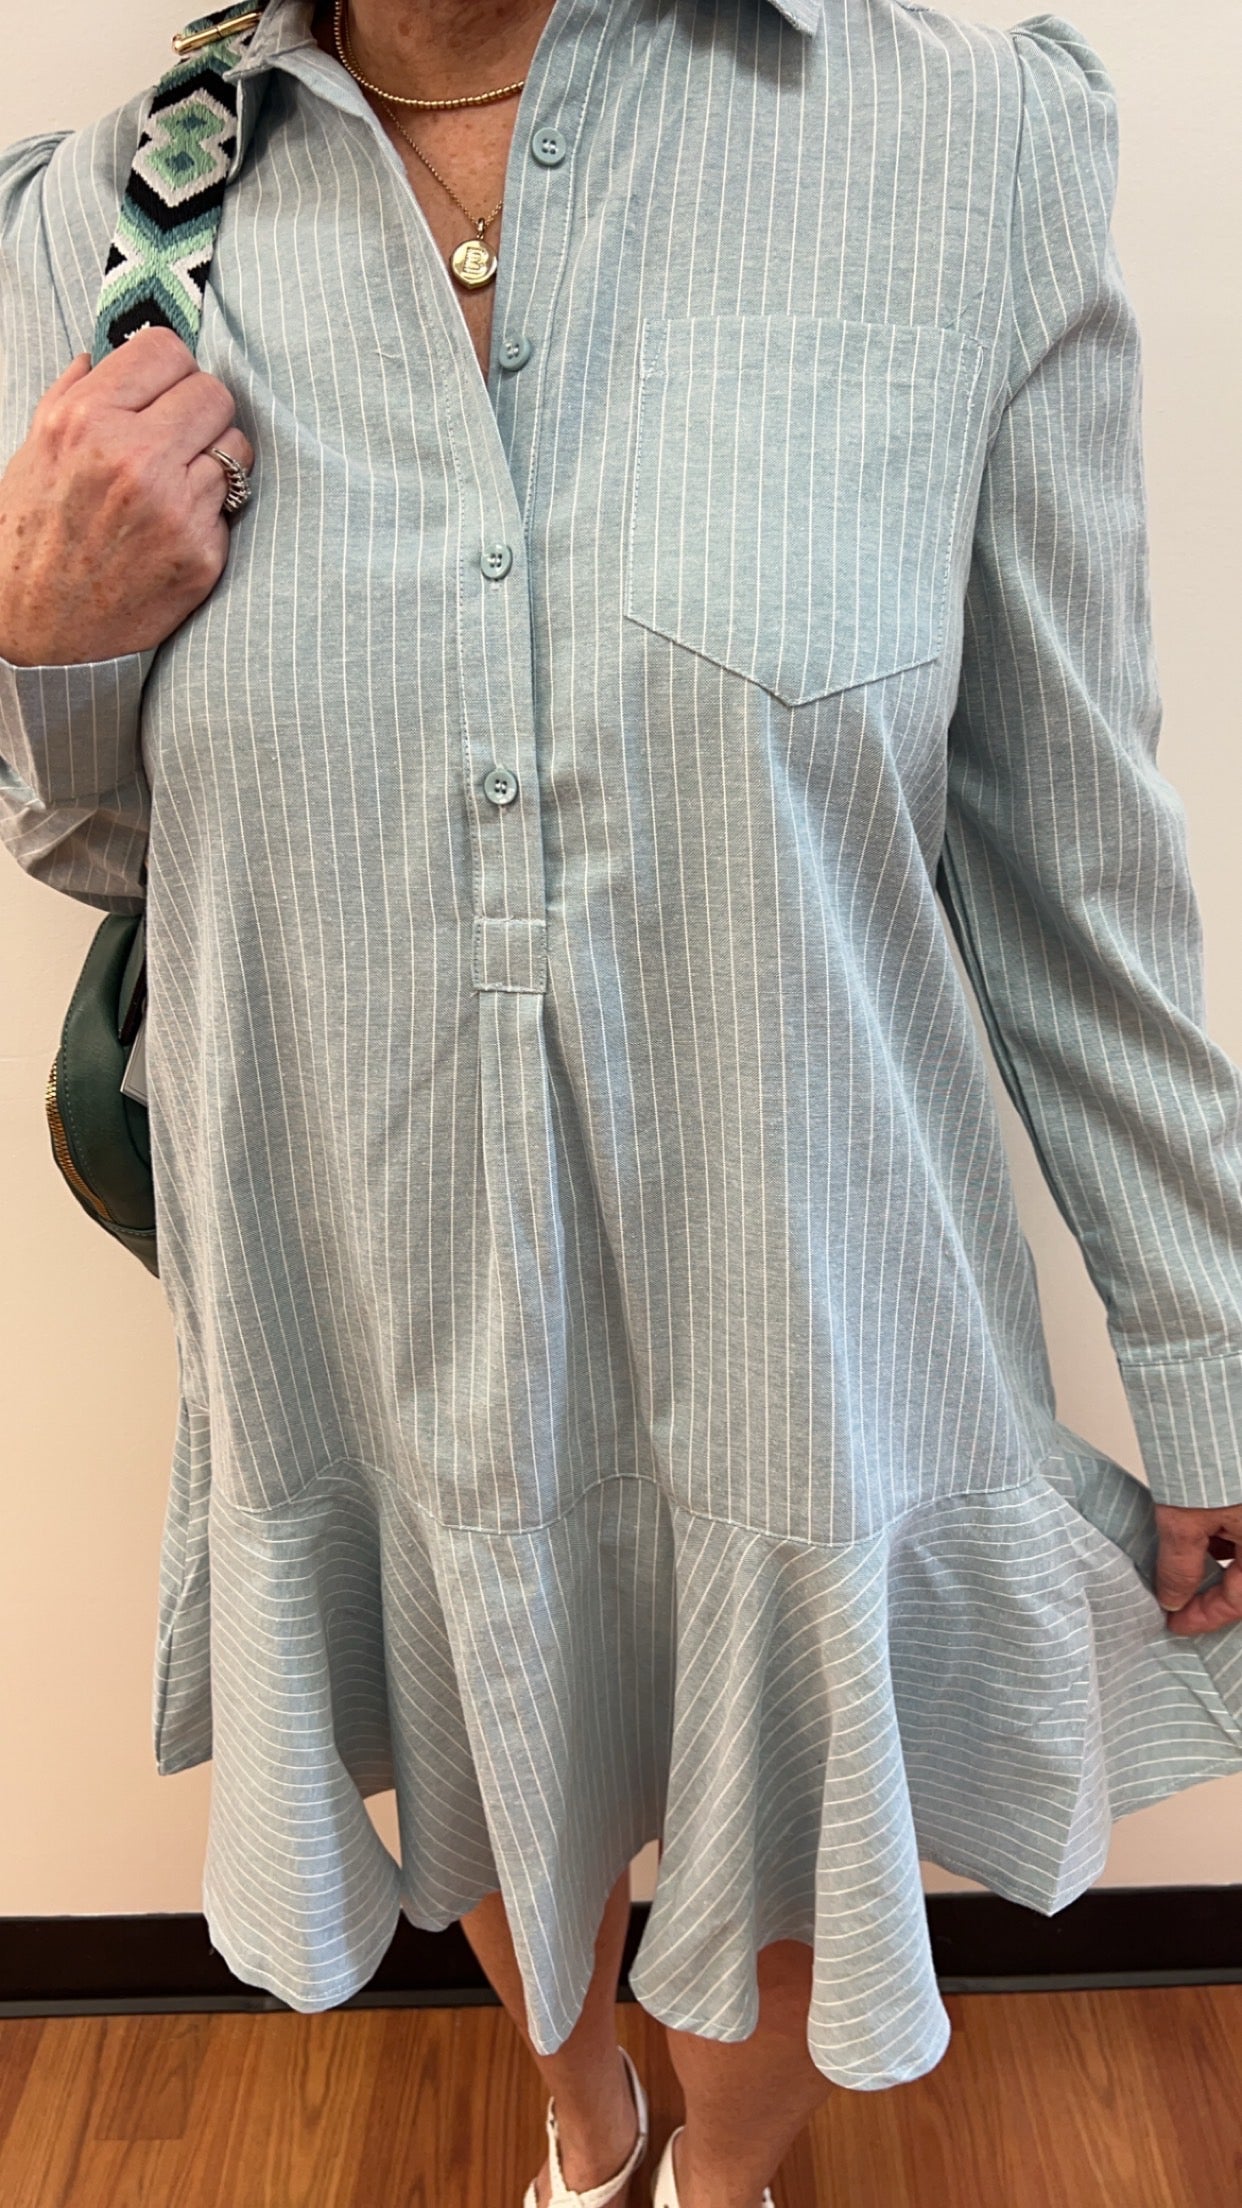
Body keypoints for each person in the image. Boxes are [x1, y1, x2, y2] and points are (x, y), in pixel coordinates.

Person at [1, 2, 1240, 2203]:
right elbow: (107, 842)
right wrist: (38, 626)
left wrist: (1204, 1352)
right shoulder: (97, 226)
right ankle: (584, 2133)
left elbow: (1072, 852)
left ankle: (716, 2180)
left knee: (784, 1769)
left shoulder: (952, 146)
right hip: (366, 1253)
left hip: (794, 1261)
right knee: (470, 1711)